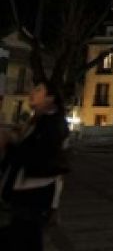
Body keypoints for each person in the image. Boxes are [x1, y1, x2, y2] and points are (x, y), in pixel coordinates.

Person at [0, 80, 70, 251]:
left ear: (50, 98)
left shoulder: (52, 123)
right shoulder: (36, 122)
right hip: (26, 194)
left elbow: (41, 156)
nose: (32, 92)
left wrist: (12, 142)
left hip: (35, 195)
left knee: (24, 239)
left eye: (38, 90)